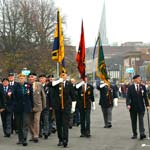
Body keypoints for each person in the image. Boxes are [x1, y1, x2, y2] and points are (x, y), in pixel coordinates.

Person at [51, 70, 76, 147]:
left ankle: (65, 140)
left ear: (66, 76)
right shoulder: (56, 83)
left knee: (65, 124)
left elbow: (73, 96)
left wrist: (73, 107)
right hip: (58, 107)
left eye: (64, 75)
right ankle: (60, 139)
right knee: (59, 124)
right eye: (62, 75)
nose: (63, 76)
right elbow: (51, 85)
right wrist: (59, 80)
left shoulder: (69, 84)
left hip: (66, 107)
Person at [126, 74, 150, 140]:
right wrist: (128, 104)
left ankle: (142, 133)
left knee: (141, 120)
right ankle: (135, 134)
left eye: (140, 78)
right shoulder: (130, 87)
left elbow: (145, 97)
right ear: (135, 79)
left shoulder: (143, 87)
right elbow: (128, 97)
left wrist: (147, 105)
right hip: (133, 107)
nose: (140, 79)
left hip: (141, 107)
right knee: (133, 121)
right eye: (139, 78)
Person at [14, 74, 33, 146]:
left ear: (25, 79)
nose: (21, 80)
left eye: (22, 78)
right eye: (20, 78)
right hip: (18, 108)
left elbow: (31, 97)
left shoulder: (28, 86)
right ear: (18, 79)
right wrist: (15, 105)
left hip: (26, 107)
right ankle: (20, 139)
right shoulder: (15, 86)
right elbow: (14, 97)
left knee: (25, 123)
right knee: (19, 123)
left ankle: (25, 139)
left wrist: (32, 106)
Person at [28, 73, 46, 143]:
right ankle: (32, 135)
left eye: (32, 78)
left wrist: (44, 105)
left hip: (38, 106)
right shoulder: (27, 85)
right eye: (30, 78)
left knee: (36, 121)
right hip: (29, 106)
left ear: (35, 79)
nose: (31, 79)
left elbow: (43, 95)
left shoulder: (39, 85)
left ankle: (36, 135)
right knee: (30, 122)